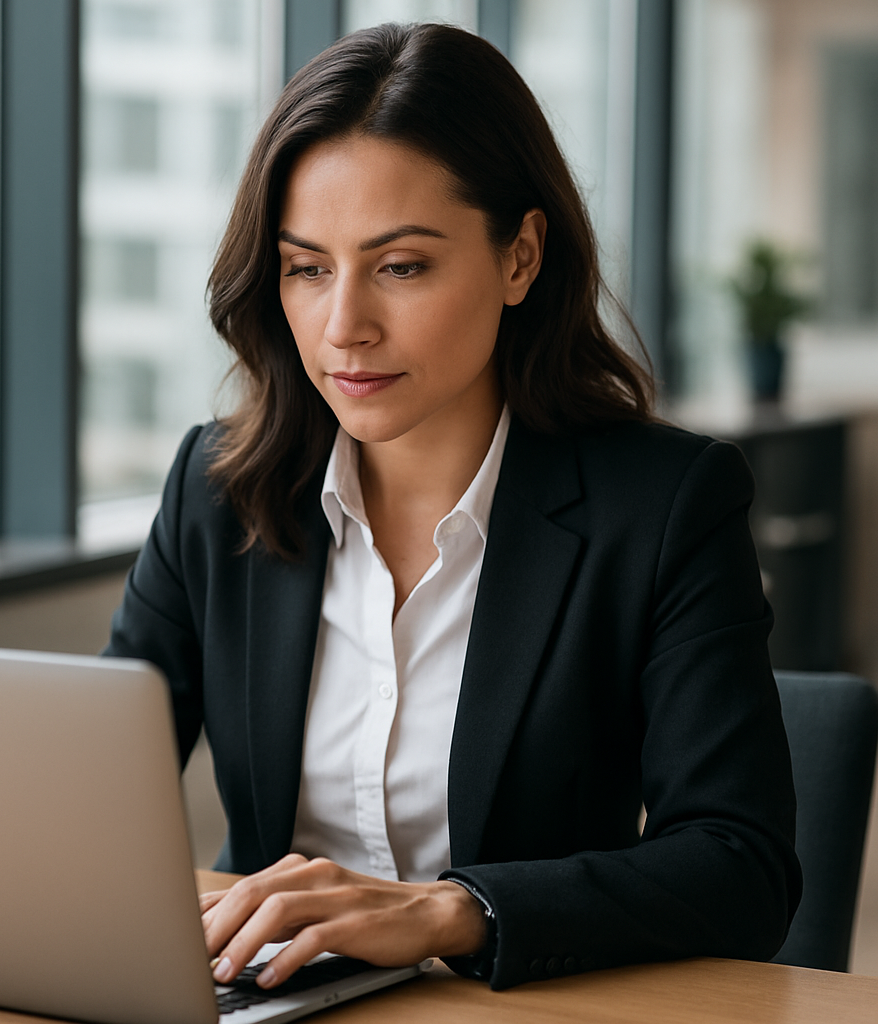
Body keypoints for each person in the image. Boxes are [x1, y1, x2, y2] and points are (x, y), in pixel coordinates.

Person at [106, 22, 800, 992]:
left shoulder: (663, 505)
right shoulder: (218, 489)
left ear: (520, 257)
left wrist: (451, 909)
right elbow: (92, 793)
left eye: (400, 266)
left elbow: (740, 867)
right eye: (307, 267)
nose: (343, 324)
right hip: (267, 997)